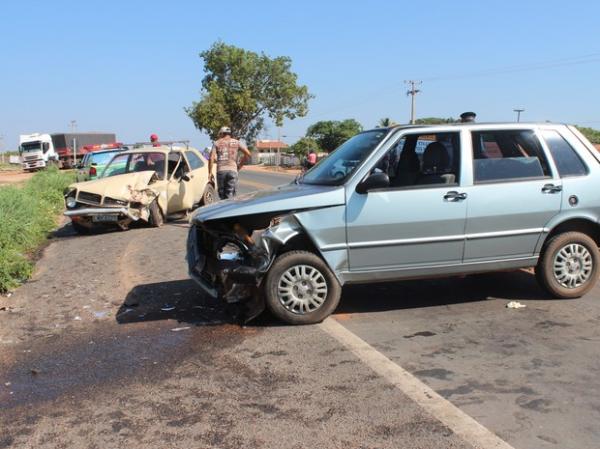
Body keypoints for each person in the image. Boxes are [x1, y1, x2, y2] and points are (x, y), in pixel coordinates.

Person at [209, 126, 251, 200]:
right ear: (229, 134)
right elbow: (248, 154)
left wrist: (209, 173)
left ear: (222, 133)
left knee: (222, 196)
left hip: (221, 171)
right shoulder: (237, 142)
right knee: (231, 195)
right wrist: (240, 165)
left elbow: (211, 158)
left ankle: (224, 210)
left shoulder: (216, 143)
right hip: (233, 171)